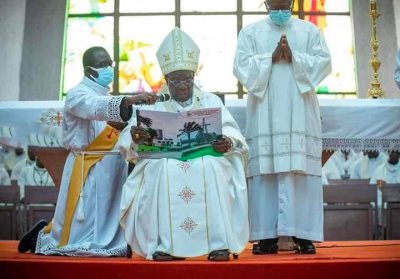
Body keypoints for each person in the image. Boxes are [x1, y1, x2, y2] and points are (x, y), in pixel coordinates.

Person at [117, 27, 249, 261]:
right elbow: (127, 140)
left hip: (204, 155)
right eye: (176, 80)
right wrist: (136, 137)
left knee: (212, 168)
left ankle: (218, 244)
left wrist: (227, 142)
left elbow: (232, 131)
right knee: (161, 170)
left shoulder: (209, 100)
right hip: (164, 158)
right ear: (166, 80)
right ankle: (164, 245)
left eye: (187, 79)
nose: (182, 86)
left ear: (193, 77)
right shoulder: (154, 103)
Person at [18, 46, 156, 256]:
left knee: (108, 213)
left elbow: (113, 124)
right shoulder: (77, 94)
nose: (109, 68)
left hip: (111, 165)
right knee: (84, 220)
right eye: (103, 64)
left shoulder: (107, 96)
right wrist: (127, 100)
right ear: (89, 70)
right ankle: (42, 236)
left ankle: (110, 243)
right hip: (87, 166)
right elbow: (92, 107)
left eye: (110, 63)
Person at [233, 0, 332, 254]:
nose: (280, 8)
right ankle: (265, 236)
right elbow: (240, 66)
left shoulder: (309, 31)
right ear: (265, 3)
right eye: (275, 4)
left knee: (298, 170)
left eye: (284, 3)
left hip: (299, 109)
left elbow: (325, 62)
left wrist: (295, 57)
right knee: (266, 171)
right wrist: (271, 57)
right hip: (265, 111)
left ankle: (303, 234)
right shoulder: (250, 33)